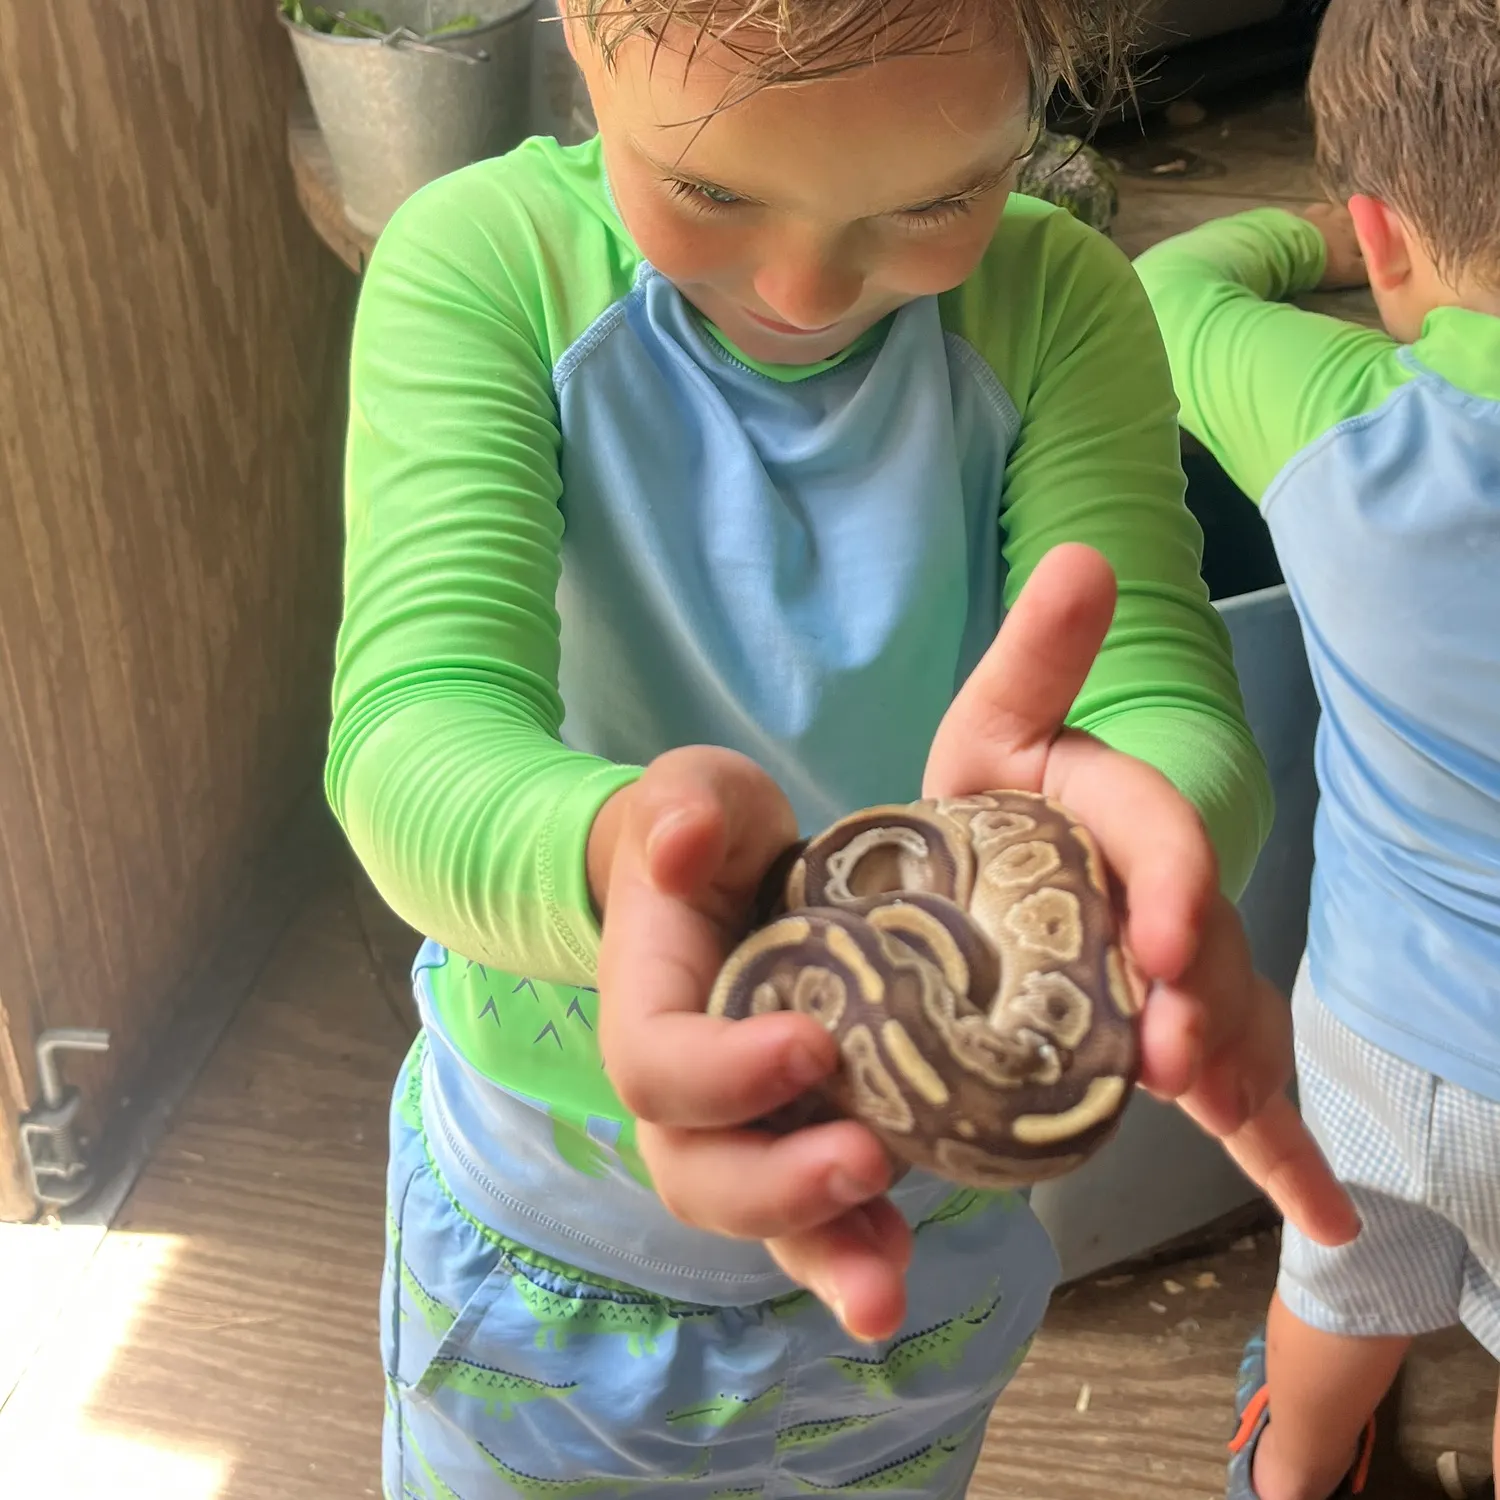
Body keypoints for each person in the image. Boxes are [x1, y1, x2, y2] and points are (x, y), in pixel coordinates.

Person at [327, 0, 1358, 1493]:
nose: (805, 287)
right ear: (580, 36)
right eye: (709, 189)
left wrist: (1136, 843)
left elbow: (1159, 698)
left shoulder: (1061, 307)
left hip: (928, 1238)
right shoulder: (486, 265)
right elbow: (414, 724)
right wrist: (626, 857)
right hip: (549, 1244)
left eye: (937, 201)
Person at [1133, 2, 1500, 1497]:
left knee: (1340, 1271)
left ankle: (1295, 1470)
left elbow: (1164, 287)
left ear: (1382, 233)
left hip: (1371, 1034)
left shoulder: (1333, 417)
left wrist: (1334, 241)